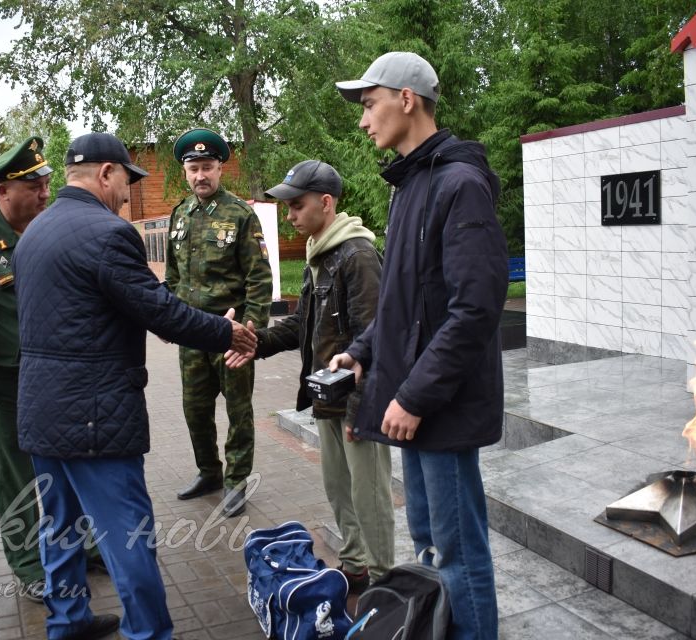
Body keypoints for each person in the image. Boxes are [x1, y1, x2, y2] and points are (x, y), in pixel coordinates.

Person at [14, 132, 257, 640]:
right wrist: (228, 331)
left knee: (59, 527)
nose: (127, 193)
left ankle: (67, 622)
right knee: (127, 535)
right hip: (95, 415)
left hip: (41, 409)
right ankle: (148, 632)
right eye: (126, 179)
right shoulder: (107, 233)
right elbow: (160, 311)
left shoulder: (34, 232)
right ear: (106, 173)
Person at [331, 52, 507, 639]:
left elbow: (475, 309)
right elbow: (402, 304)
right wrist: (361, 352)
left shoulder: (460, 184)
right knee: (433, 545)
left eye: (369, 103)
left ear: (407, 100)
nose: (363, 120)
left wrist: (413, 396)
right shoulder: (410, 186)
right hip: (418, 406)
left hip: (440, 408)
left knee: (459, 553)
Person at [0, 136, 103, 604]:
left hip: (53, 377)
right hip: (6, 382)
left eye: (46, 182)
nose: (44, 192)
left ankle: (85, 547)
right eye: (34, 184)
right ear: (4, 190)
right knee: (17, 475)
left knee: (69, 467)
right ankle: (31, 566)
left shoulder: (42, 229)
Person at [228, 160, 395, 591]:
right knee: (340, 489)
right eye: (287, 207)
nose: (290, 215)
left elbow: (377, 336)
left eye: (297, 206)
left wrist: (363, 410)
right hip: (328, 398)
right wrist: (256, 341)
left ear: (325, 202)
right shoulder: (320, 254)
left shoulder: (357, 256)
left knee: (369, 496)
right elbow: (304, 323)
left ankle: (383, 582)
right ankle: (357, 566)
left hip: (357, 402)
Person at [165, 127, 273, 517]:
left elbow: (259, 279)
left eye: (207, 167)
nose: (200, 176)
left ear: (220, 169)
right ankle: (208, 471)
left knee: (238, 410)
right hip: (193, 335)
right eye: (193, 168)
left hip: (231, 335)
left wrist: (249, 331)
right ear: (185, 172)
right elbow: (174, 276)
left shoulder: (240, 215)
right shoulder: (181, 213)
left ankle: (235, 481)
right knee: (195, 408)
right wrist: (174, 319)